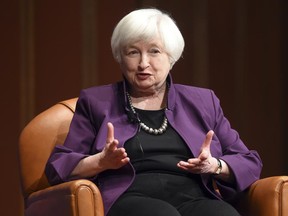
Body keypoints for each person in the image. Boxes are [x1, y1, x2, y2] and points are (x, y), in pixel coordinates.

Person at [45, 8, 262, 216]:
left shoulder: (203, 102)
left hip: (193, 197)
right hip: (127, 198)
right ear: (120, 57)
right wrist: (99, 162)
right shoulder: (96, 102)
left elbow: (248, 161)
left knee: (221, 214)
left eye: (154, 51)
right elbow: (58, 168)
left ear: (172, 57)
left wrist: (215, 165)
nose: (143, 63)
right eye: (132, 52)